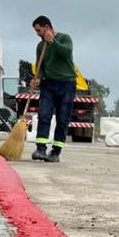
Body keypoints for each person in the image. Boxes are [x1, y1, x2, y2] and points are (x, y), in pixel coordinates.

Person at [29, 15, 75, 163]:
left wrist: (52, 42)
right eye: (36, 31)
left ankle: (55, 152)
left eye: (39, 30)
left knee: (62, 119)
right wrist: (37, 78)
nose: (37, 34)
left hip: (67, 84)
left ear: (47, 27)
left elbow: (66, 53)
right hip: (48, 85)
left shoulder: (64, 38)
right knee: (44, 114)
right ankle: (40, 149)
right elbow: (40, 66)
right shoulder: (40, 46)